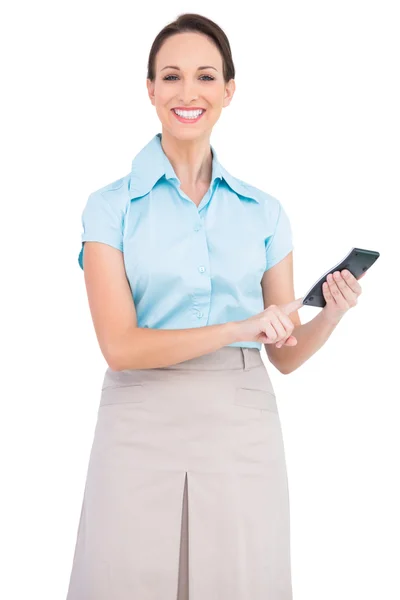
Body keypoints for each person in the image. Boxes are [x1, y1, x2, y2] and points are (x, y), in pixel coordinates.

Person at [66, 13, 363, 600]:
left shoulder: (264, 212)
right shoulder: (109, 208)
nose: (187, 92)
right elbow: (120, 346)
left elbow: (284, 354)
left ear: (229, 90)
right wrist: (241, 326)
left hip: (240, 426)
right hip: (138, 420)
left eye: (205, 76)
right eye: (171, 76)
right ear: (149, 89)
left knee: (241, 581)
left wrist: (330, 312)